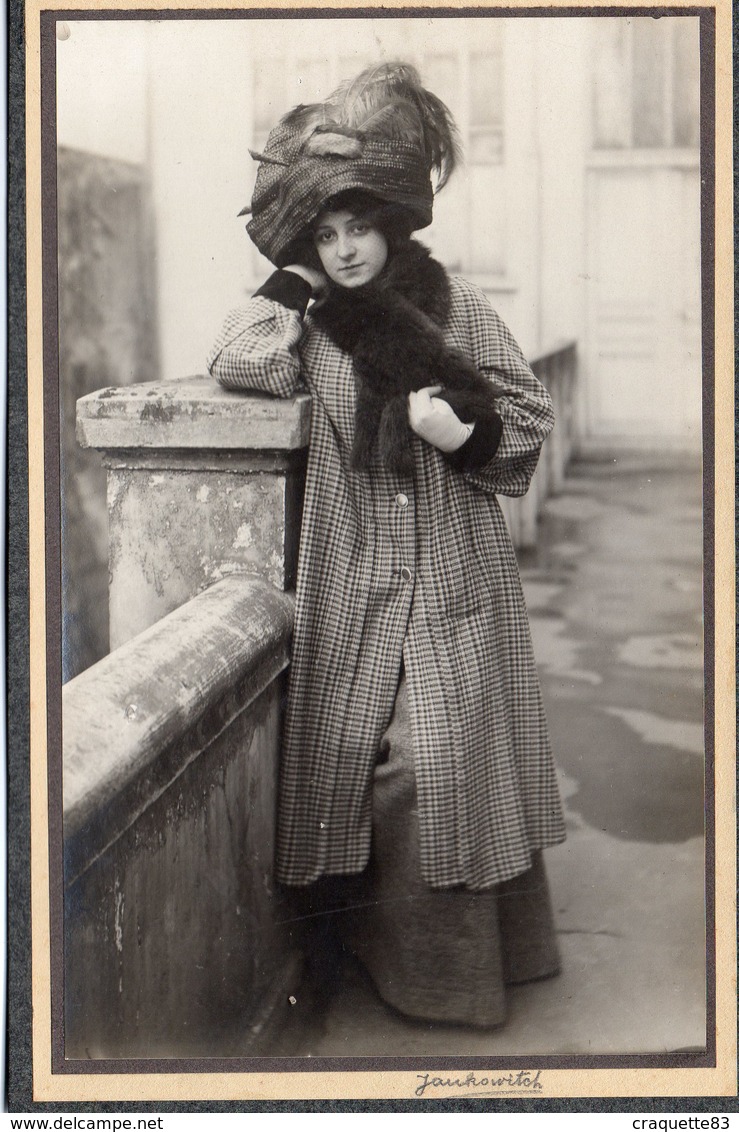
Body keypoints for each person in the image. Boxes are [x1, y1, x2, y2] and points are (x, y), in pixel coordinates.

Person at [208, 61, 566, 1028]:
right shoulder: (311, 323)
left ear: (391, 225)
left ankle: (462, 977)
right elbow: (237, 360)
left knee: (443, 757)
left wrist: (466, 435)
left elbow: (527, 412)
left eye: (357, 227)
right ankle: (371, 951)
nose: (346, 249)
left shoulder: (452, 306)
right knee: (363, 759)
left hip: (452, 562)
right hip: (356, 564)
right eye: (324, 233)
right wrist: (292, 281)